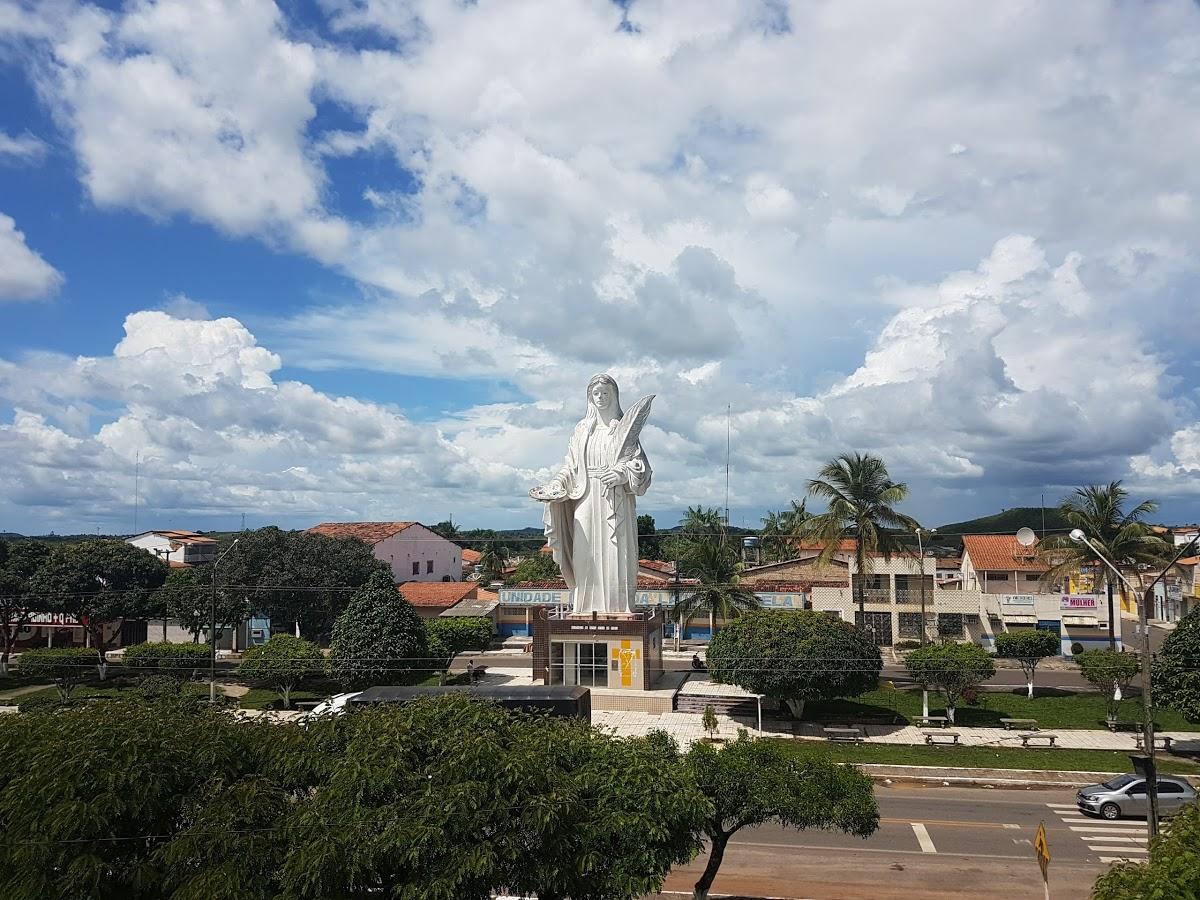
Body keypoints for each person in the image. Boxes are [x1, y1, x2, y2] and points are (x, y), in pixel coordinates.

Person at [533, 374, 653, 615]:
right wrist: (556, 484)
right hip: (586, 496)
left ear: (614, 396)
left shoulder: (621, 429)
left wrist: (621, 475)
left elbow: (641, 466)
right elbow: (571, 466)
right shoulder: (582, 429)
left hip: (614, 498)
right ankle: (585, 606)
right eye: (596, 393)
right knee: (583, 551)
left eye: (606, 393)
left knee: (615, 552)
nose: (600, 398)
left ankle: (618, 606)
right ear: (590, 397)